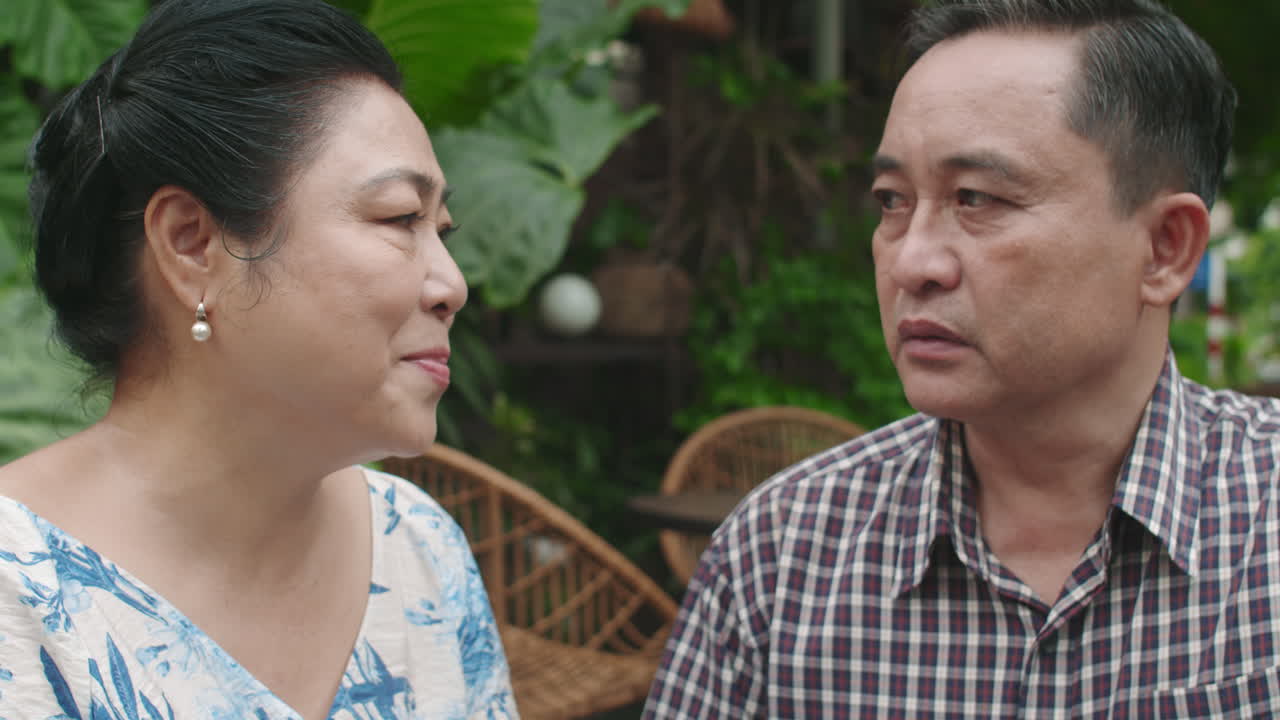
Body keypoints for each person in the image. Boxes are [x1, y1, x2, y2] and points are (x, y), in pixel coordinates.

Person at [644, 0, 1272, 717]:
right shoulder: (780, 559)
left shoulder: (1265, 529)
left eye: (976, 198)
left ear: (1165, 249)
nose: (912, 261)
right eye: (891, 201)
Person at [0, 0, 516, 717]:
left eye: (442, 229)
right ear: (192, 244)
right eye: (401, 217)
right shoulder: (19, 597)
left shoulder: (419, 550)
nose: (451, 286)